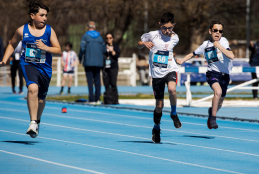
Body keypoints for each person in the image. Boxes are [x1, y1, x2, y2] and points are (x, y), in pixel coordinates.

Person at [0, 1, 61, 138]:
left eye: (46, 15)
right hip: (28, 64)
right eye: (42, 15)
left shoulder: (49, 31)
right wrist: (4, 59)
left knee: (40, 99)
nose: (45, 18)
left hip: (45, 67)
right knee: (32, 89)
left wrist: (46, 48)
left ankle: (37, 121)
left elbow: (58, 50)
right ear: (32, 15)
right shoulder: (22, 30)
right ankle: (32, 122)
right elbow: (12, 44)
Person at [177, 21, 234, 129]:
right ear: (210, 31)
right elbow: (193, 54)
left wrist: (218, 46)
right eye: (215, 30)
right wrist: (182, 60)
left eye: (220, 31)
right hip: (212, 73)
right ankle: (213, 118)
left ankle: (211, 111)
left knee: (220, 103)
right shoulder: (205, 45)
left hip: (225, 75)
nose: (218, 33)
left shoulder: (223, 41)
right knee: (218, 91)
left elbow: (231, 56)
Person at [137, 12, 182, 143]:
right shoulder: (152, 35)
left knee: (172, 89)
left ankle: (174, 113)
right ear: (159, 25)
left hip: (170, 69)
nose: (167, 31)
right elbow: (139, 43)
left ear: (173, 25)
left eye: (170, 28)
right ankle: (156, 128)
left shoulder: (175, 38)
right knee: (159, 106)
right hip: (157, 74)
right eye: (164, 28)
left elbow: (169, 49)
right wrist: (144, 44)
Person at [79, 21, 106, 104]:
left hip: (88, 62)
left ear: (87, 27)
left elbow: (82, 48)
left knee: (90, 81)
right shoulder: (100, 37)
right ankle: (97, 98)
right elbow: (104, 50)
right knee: (97, 80)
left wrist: (80, 58)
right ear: (95, 27)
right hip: (98, 62)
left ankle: (91, 98)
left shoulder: (85, 36)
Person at [102, 33, 120, 104]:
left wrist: (112, 51)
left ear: (112, 38)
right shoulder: (103, 46)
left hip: (113, 67)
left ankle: (115, 99)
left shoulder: (115, 46)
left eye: (110, 38)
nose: (108, 39)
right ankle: (107, 99)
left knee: (113, 84)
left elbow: (117, 56)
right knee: (106, 84)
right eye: (107, 38)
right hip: (105, 68)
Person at [249, 35, 259, 100]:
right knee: (255, 81)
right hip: (254, 65)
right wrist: (251, 46)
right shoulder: (255, 45)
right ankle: (255, 97)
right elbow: (251, 47)